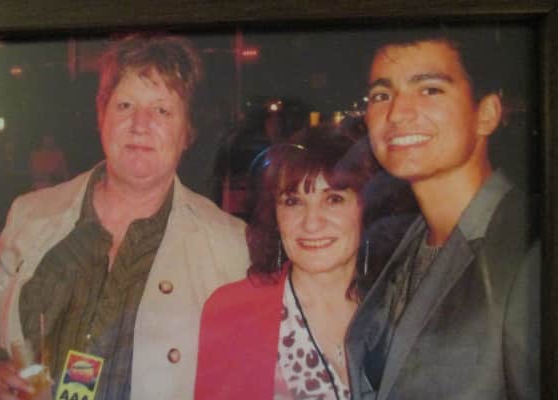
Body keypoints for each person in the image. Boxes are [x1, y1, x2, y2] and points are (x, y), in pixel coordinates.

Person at [0, 34, 249, 400]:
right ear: (102, 116)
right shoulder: (30, 214)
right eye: (125, 105)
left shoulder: (229, 245)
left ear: (187, 131)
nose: (140, 124)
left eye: (162, 110)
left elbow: (243, 376)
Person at [346, 28, 540, 399]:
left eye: (430, 89)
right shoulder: (407, 241)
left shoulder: (528, 247)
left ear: (486, 114)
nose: (397, 113)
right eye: (382, 95)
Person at [195, 127, 377, 399]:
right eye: (293, 202)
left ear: (367, 208)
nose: (311, 223)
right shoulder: (232, 312)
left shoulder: (398, 307)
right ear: (274, 214)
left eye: (333, 199)